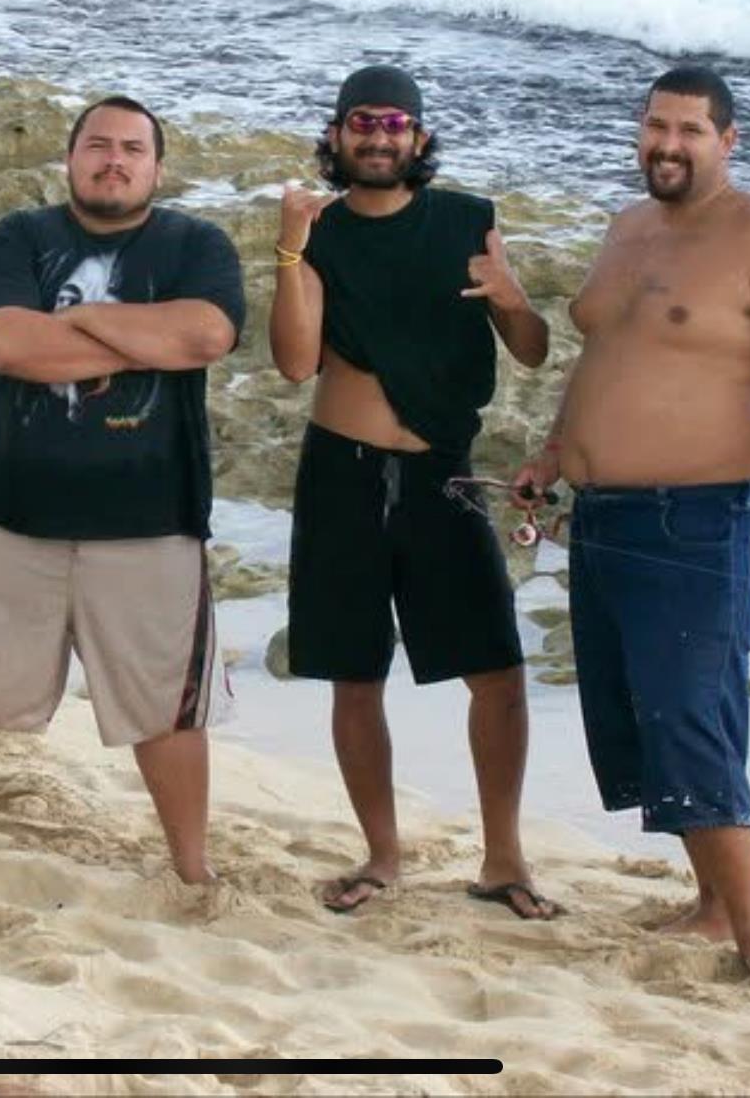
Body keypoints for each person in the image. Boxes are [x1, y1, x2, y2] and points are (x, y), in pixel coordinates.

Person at [0, 97, 244, 884]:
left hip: (152, 517)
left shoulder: (197, 243)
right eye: (98, 145)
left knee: (167, 705)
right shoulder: (20, 237)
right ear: (70, 158)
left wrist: (80, 327)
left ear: (157, 167)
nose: (114, 160)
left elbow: (205, 335)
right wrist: (138, 341)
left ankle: (191, 867)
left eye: (132, 148)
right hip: (9, 509)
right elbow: (1, 342)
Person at [512, 65, 750, 981]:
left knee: (692, 715)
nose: (667, 144)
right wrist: (554, 454)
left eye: (690, 131)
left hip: (703, 518)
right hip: (605, 514)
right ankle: (709, 907)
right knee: (644, 715)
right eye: (655, 126)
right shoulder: (629, 228)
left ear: (727, 140)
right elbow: (608, 356)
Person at [268, 64, 558, 918]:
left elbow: (533, 349)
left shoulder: (468, 222)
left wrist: (510, 298)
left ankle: (503, 861)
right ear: (335, 137)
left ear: (419, 139)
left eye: (396, 124)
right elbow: (292, 362)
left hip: (444, 470)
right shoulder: (316, 232)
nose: (379, 136)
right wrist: (287, 249)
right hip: (342, 472)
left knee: (496, 673)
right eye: (362, 122)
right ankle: (381, 855)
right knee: (354, 675)